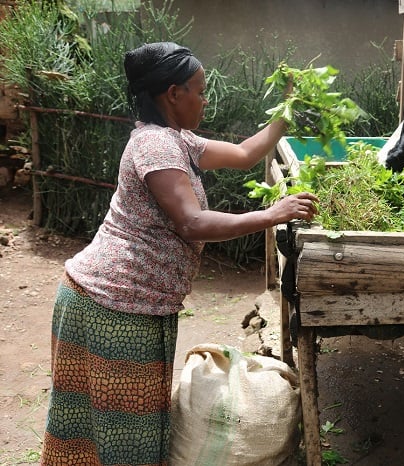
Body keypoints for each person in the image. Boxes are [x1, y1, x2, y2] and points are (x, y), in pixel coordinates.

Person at [40, 42, 318, 465]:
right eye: (199, 91)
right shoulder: (155, 146)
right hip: (111, 309)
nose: (205, 100)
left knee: (118, 430)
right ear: (173, 94)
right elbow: (190, 222)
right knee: (124, 436)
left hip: (125, 305)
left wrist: (289, 107)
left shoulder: (178, 140)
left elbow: (244, 155)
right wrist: (270, 214)